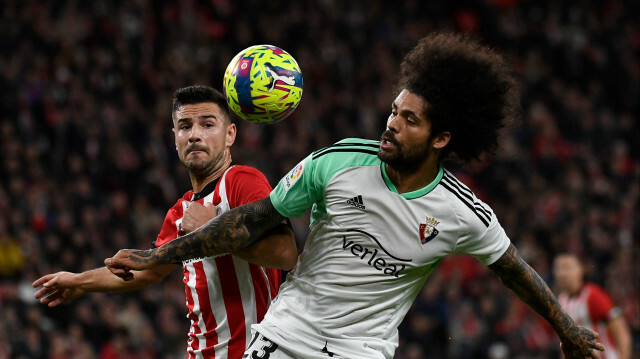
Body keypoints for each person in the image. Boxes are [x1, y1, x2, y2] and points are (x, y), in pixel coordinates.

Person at [105, 34, 605, 359]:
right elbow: (252, 220)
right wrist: (162, 252)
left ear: (442, 139)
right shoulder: (339, 162)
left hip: (359, 352)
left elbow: (515, 271)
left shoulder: (462, 212)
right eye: (394, 110)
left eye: (410, 120)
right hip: (283, 337)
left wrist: (565, 329)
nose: (391, 123)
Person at [32, 85, 298, 359]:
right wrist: (79, 281)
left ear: (230, 134)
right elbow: (147, 271)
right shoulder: (180, 210)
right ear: (175, 138)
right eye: (184, 126)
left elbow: (285, 254)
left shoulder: (242, 181)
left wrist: (213, 229)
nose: (194, 135)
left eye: (207, 124)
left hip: (254, 352)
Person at [553, 253, 632, 359]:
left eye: (567, 268)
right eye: (559, 268)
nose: (563, 274)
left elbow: (621, 331)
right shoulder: (560, 301)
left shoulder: (593, 295)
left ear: (580, 270)